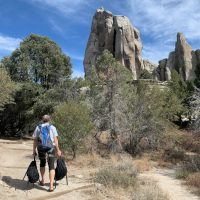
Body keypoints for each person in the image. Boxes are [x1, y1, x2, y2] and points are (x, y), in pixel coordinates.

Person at [32, 115, 62, 192]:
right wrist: (58, 150)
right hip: (51, 148)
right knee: (51, 166)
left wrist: (34, 150)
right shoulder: (52, 127)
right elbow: (55, 140)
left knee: (42, 163)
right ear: (50, 120)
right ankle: (51, 186)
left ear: (42, 120)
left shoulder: (38, 127)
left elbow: (35, 140)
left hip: (41, 148)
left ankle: (42, 180)